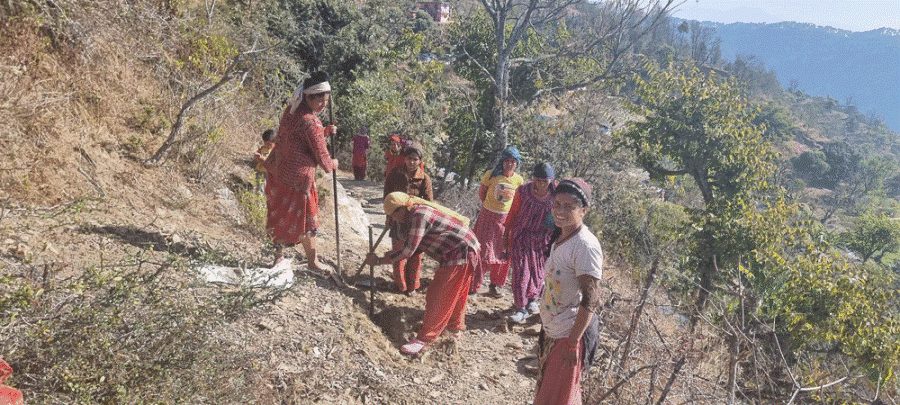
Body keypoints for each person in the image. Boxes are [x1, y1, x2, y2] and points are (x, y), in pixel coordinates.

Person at [364, 192, 480, 355]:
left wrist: (378, 261)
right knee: (456, 292)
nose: (395, 220)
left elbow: (408, 251)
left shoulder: (419, 216)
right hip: (463, 250)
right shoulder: (413, 213)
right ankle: (455, 328)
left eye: (394, 215)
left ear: (402, 209)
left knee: (439, 294)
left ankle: (425, 338)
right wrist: (385, 256)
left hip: (461, 252)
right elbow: (407, 244)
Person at [534, 178, 602, 405]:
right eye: (557, 204)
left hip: (568, 336)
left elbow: (591, 300)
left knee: (558, 398)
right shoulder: (561, 237)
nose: (560, 211)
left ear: (583, 210)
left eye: (569, 206)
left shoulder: (585, 245)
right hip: (555, 331)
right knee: (551, 395)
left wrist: (573, 343)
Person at [264, 71, 338, 270]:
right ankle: (313, 262)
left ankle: (277, 257)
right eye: (320, 100)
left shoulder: (290, 111)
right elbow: (323, 159)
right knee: (308, 220)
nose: (323, 105)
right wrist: (334, 163)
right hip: (298, 179)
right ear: (309, 97)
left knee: (276, 215)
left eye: (326, 101)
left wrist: (324, 133)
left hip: (277, 169)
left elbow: (299, 138)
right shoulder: (311, 121)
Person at [503, 162, 556, 323]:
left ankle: (532, 301)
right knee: (520, 271)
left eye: (545, 181)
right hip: (521, 235)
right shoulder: (523, 191)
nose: (541, 184)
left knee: (538, 272)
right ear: (533, 179)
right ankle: (520, 307)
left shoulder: (556, 193)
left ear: (551, 181)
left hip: (543, 239)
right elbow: (512, 213)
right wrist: (506, 235)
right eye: (538, 180)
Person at [470, 146, 524, 297]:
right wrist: (491, 209)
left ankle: (496, 286)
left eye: (513, 162)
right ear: (502, 161)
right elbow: (482, 193)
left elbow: (517, 202)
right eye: (507, 161)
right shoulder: (491, 175)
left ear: (517, 164)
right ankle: (474, 285)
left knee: (503, 252)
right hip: (488, 218)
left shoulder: (518, 180)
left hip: (506, 221)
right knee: (483, 251)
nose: (510, 164)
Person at [383, 141, 434, 294]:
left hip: (417, 223)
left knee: (415, 256)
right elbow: (387, 196)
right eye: (409, 158)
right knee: (398, 253)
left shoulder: (425, 179)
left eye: (415, 159)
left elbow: (429, 203)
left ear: (420, 161)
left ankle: (412, 287)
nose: (412, 162)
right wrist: (390, 215)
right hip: (397, 221)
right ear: (404, 158)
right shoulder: (394, 173)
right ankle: (400, 286)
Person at [254, 128, 276, 192]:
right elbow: (257, 154)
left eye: (268, 144)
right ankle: (258, 197)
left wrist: (263, 158)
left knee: (266, 188)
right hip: (259, 170)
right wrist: (257, 156)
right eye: (265, 143)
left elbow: (273, 162)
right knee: (259, 186)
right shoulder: (262, 148)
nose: (266, 145)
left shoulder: (275, 151)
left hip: (268, 173)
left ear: (274, 142)